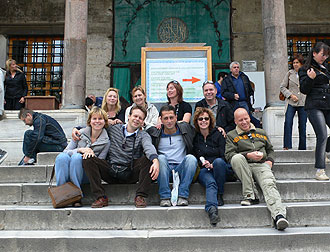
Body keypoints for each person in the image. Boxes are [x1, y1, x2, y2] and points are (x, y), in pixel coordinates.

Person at [72, 105, 159, 208]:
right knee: (88, 158)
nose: (137, 119)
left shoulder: (143, 135)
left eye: (140, 118)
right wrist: (77, 128)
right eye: (135, 116)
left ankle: (140, 196)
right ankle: (100, 197)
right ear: (129, 116)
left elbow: (149, 147)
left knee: (147, 160)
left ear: (143, 121)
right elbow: (96, 124)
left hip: (130, 171)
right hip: (110, 170)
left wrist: (155, 160)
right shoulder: (113, 129)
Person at [225, 108, 288, 231]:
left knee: (269, 184)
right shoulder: (231, 135)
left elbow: (270, 149)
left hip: (261, 164)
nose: (244, 122)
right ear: (235, 121)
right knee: (236, 158)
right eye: (240, 120)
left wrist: (270, 160)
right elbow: (229, 155)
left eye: (245, 118)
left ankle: (279, 216)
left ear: (249, 117)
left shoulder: (261, 132)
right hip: (244, 166)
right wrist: (248, 155)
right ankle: (250, 195)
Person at [55, 107, 110, 207]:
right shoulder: (79, 134)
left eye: (100, 119)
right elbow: (66, 151)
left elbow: (101, 162)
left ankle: (76, 196)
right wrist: (80, 150)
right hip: (69, 169)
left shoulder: (106, 141)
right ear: (89, 121)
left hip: (86, 173)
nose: (97, 121)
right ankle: (61, 195)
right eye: (94, 119)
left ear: (105, 122)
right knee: (61, 157)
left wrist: (91, 155)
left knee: (77, 158)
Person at [193, 107, 236, 226]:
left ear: (210, 120)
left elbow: (224, 156)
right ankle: (212, 211)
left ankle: (220, 194)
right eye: (200, 119)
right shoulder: (195, 137)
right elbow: (194, 155)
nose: (203, 121)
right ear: (196, 121)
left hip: (219, 168)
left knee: (218, 162)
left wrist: (212, 164)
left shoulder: (218, 135)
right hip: (204, 170)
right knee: (210, 183)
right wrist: (203, 163)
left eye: (206, 118)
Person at [147, 105, 197, 207]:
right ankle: (165, 197)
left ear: (176, 117)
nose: (169, 121)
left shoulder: (186, 129)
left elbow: (203, 129)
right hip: (164, 170)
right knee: (160, 158)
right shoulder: (154, 133)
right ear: (160, 119)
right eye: (165, 118)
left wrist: (218, 128)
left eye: (171, 117)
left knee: (191, 159)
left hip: (181, 169)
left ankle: (183, 196)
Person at [299, 42, 330, 180]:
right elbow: (304, 90)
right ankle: (320, 170)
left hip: (328, 105)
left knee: (323, 139)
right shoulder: (305, 69)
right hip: (314, 106)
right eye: (322, 54)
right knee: (322, 134)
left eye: (327, 55)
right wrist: (310, 79)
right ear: (314, 53)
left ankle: (325, 150)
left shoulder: (326, 68)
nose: (324, 57)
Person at [221, 62, 261, 128]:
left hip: (244, 102)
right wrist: (233, 95)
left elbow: (250, 90)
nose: (236, 69)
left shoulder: (244, 77)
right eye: (234, 67)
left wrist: (251, 101)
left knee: (247, 120)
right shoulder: (226, 79)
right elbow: (223, 93)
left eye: (238, 67)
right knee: (235, 120)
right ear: (231, 69)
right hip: (233, 103)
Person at [280, 54, 307, 150]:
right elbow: (282, 87)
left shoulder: (306, 72)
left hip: (303, 102)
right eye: (294, 63)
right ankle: (287, 146)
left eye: (297, 63)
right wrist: (290, 95)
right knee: (288, 122)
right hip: (291, 102)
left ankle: (302, 147)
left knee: (303, 125)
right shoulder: (289, 73)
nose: (295, 64)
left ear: (301, 63)